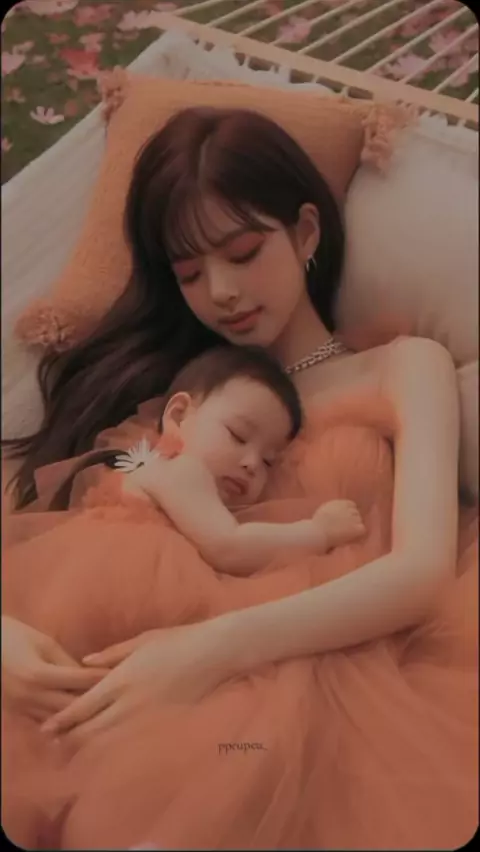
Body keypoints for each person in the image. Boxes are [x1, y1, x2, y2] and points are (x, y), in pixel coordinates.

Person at [2, 106, 477, 851]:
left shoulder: (400, 366)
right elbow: (76, 531)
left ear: (307, 234)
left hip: (316, 677)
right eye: (191, 274)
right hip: (119, 671)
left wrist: (209, 650)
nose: (221, 291)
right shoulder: (176, 396)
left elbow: (419, 571)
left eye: (244, 252)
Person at [45, 345, 365, 576]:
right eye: (238, 435)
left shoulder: (158, 473)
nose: (252, 463)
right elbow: (230, 548)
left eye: (269, 462)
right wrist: (319, 532)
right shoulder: (181, 471)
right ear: (179, 415)